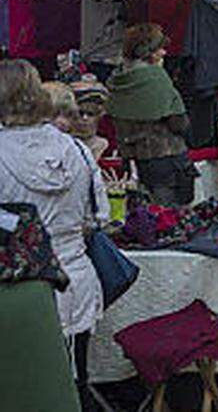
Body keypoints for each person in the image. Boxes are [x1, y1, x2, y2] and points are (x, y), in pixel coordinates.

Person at [0, 60, 109, 407]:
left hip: (16, 293)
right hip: (76, 279)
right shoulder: (76, 149)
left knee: (23, 393)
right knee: (73, 386)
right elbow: (98, 217)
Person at [106, 23, 196, 206]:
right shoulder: (156, 77)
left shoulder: (116, 79)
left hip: (132, 163)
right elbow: (178, 123)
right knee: (172, 221)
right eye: (159, 48)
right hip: (167, 162)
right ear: (148, 51)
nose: (164, 52)